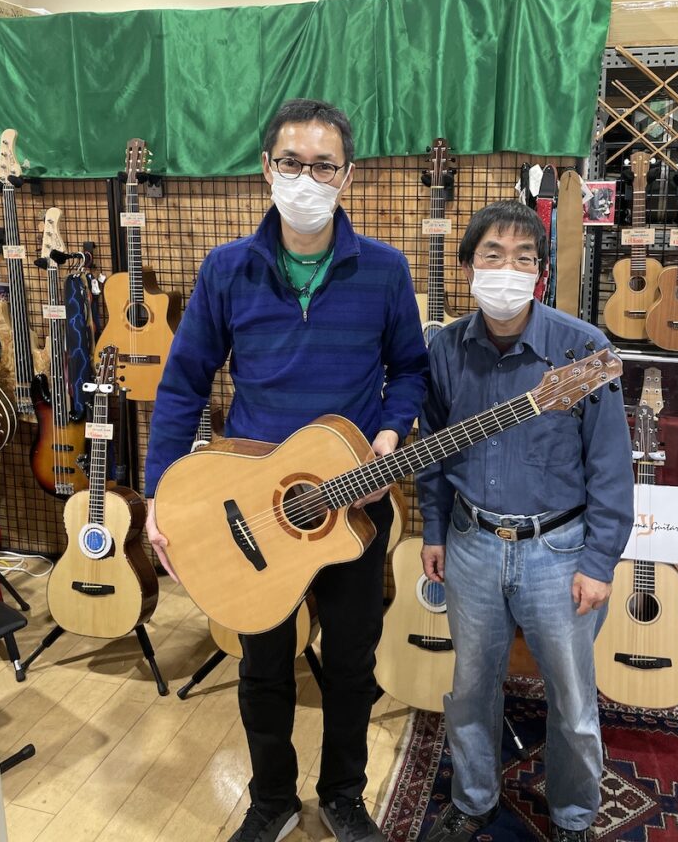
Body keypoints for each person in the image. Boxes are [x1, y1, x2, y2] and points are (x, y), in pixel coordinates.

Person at [143, 98, 429, 842]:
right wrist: (159, 496)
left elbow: (411, 369)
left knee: (352, 662)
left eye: (324, 166)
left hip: (354, 508)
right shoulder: (226, 269)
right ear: (266, 169)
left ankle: (343, 795)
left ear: (348, 176)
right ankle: (271, 799)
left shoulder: (386, 270)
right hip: (250, 509)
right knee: (262, 665)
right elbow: (182, 385)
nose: (307, 178)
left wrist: (392, 431)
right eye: (292, 163)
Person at [416, 200, 634, 842]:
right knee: (470, 688)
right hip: (471, 543)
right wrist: (434, 529)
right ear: (467, 266)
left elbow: (610, 467)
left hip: (558, 551)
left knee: (572, 699)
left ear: (540, 272)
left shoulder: (582, 348)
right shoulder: (445, 348)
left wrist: (599, 562)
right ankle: (474, 798)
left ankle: (573, 815)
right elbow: (433, 449)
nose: (507, 269)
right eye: (492, 255)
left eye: (524, 258)